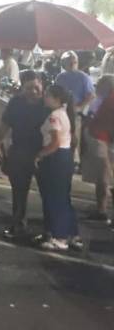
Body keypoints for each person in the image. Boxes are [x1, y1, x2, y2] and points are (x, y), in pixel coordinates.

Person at [0, 71, 50, 238]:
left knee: (47, 192)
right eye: (28, 88)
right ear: (22, 88)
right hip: (19, 151)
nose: (33, 91)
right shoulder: (16, 102)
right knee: (18, 191)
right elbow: (5, 122)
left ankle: (50, 229)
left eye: (36, 87)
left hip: (44, 153)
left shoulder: (49, 103)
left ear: (41, 84)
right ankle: (18, 224)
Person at [35, 84, 81, 251]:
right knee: (62, 197)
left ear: (56, 98)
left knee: (55, 198)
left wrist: (39, 155)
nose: (44, 97)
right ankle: (70, 233)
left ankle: (60, 237)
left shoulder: (55, 116)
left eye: (47, 95)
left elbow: (54, 143)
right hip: (64, 157)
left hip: (55, 159)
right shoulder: (64, 113)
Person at [80, 75, 114, 226]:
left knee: (103, 178)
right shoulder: (106, 99)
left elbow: (94, 120)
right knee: (105, 177)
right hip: (104, 139)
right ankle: (102, 209)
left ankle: (101, 211)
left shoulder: (105, 101)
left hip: (101, 139)